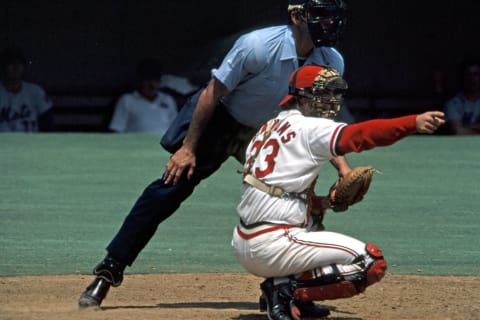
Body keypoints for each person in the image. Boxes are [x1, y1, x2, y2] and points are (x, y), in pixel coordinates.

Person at [78, 1, 352, 315]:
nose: (330, 24)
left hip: (269, 132)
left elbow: (318, 119)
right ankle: (109, 269)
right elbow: (212, 93)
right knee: (169, 188)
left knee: (299, 205)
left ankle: (285, 290)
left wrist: (343, 169)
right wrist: (188, 149)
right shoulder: (258, 46)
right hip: (221, 120)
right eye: (322, 16)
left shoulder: (331, 60)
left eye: (334, 17)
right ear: (297, 16)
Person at [232, 65, 445, 320]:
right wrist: (412, 123)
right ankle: (285, 290)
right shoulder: (309, 128)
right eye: (323, 93)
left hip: (244, 241)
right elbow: (361, 135)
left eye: (335, 93)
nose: (331, 100)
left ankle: (285, 286)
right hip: (274, 245)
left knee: (314, 220)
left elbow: (279, 188)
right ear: (301, 96)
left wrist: (323, 202)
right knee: (371, 262)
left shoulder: (270, 126)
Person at [109, 58, 178, 134]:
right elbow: (116, 130)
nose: (152, 85)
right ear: (140, 81)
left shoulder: (168, 99)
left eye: (155, 80)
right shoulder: (127, 100)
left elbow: (175, 130)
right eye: (148, 80)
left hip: (162, 144)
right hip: (136, 144)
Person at [0, 47, 53, 132]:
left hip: (31, 142)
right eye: (11, 64)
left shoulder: (35, 91)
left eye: (19, 64)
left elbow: (48, 124)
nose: (16, 67)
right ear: (3, 67)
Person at [443, 59, 480, 134]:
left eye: (476, 74)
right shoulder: (453, 104)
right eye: (468, 74)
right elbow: (458, 132)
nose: (472, 78)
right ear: (463, 77)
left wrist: (466, 126)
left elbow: (462, 129)